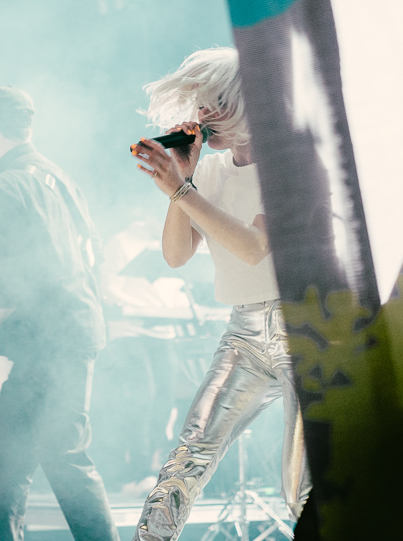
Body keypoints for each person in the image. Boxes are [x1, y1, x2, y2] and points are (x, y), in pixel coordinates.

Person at [128, 47, 310, 540]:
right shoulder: (207, 172)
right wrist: (180, 184)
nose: (205, 116)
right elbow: (175, 254)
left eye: (218, 103)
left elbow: (253, 247)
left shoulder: (288, 165)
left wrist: (184, 192)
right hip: (245, 332)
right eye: (201, 104)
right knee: (189, 454)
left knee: (302, 484)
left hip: (304, 329)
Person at [0, 86, 119, 541]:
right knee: (7, 447)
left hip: (55, 341)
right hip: (66, 334)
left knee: (63, 454)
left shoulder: (4, 186)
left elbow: (14, 282)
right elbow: (90, 255)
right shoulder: (58, 178)